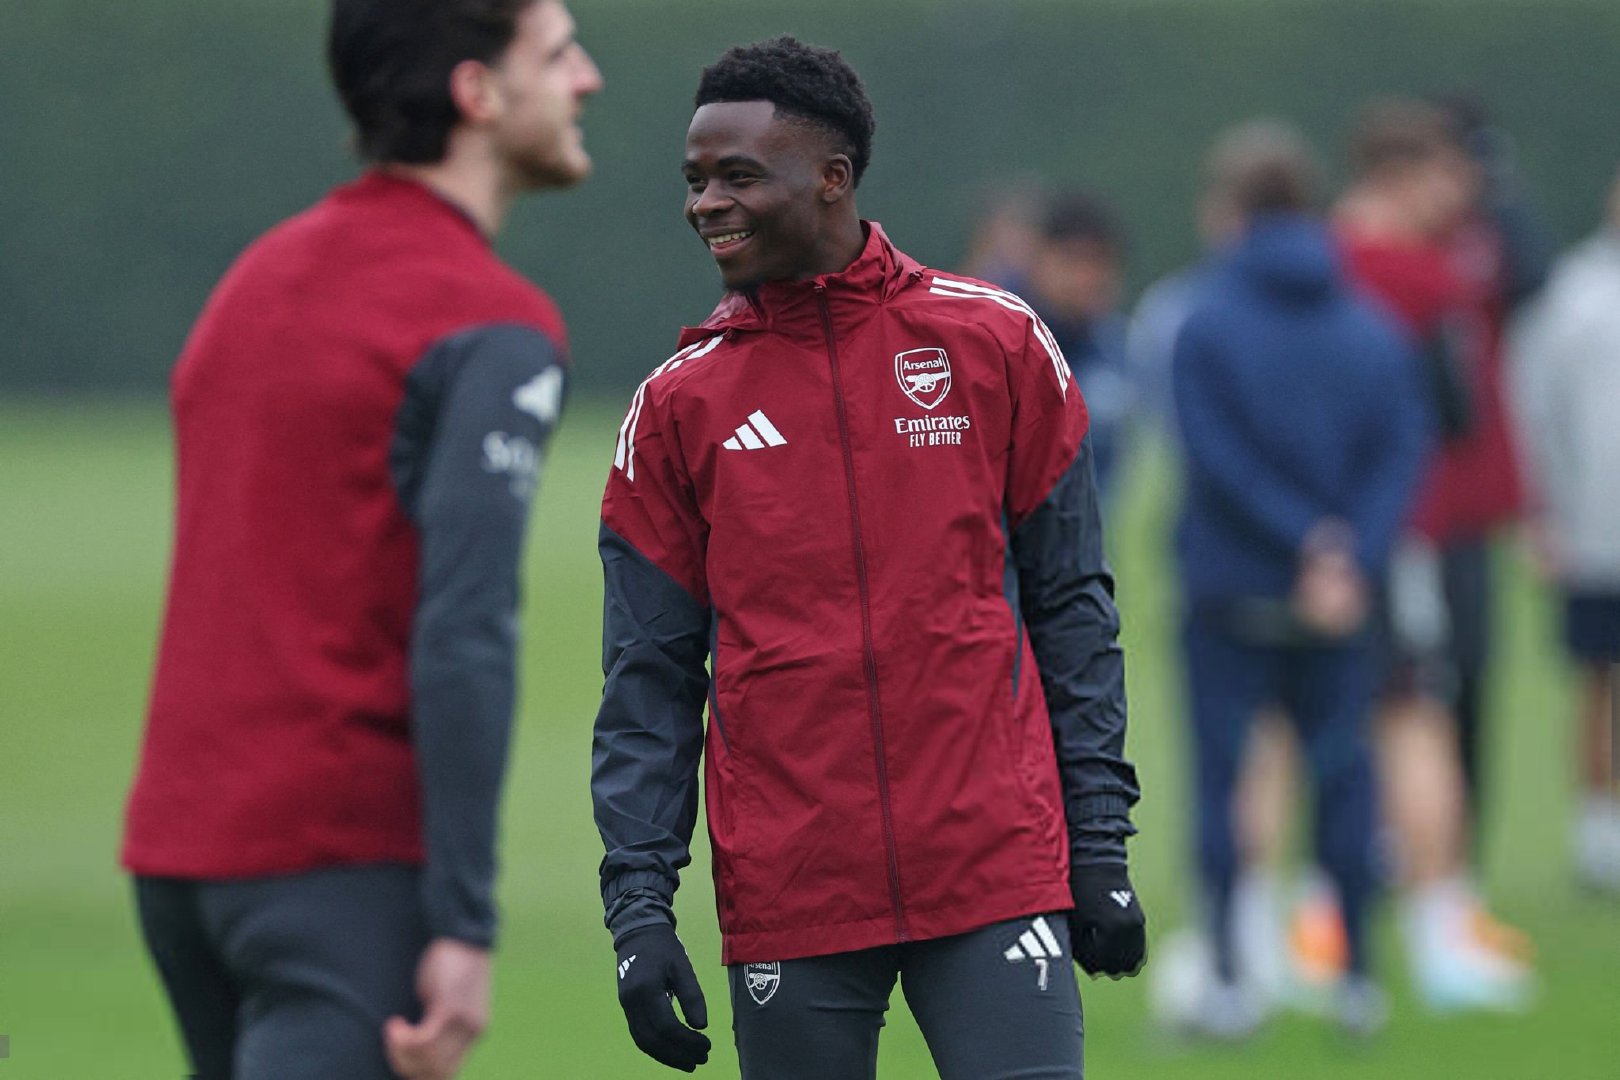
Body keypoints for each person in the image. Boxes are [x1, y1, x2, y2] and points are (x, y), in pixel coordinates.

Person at [591, 36, 1144, 1079]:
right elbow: (649, 679)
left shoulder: (997, 344)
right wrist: (639, 911)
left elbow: (1072, 605)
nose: (707, 203)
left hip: (993, 871)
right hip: (792, 893)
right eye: (696, 181)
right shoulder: (675, 408)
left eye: (737, 176)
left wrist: (1100, 841)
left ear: (832, 177)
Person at [121, 3, 601, 1078]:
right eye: (558, 54)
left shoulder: (254, 280)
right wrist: (465, 920)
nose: (588, 79)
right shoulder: (492, 322)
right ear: (477, 93)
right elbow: (467, 628)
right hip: (340, 867)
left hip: (181, 857)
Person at [1170, 120, 1430, 1038]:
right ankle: (1355, 979)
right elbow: (1400, 453)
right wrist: (1346, 552)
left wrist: (1301, 539)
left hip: (1232, 587)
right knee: (1344, 777)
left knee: (1223, 780)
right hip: (1341, 598)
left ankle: (1231, 978)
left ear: (1231, 207)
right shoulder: (1373, 327)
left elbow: (1214, 458)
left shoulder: (1204, 321)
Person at [1334, 99, 1536, 1011]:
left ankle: (1311, 915)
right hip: (1406, 528)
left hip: (1310, 537)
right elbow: (1458, 414)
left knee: (1312, 724)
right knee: (1418, 715)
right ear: (1404, 176)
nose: (1460, 198)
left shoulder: (1321, 264)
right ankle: (1440, 927)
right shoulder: (1424, 278)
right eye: (1447, 178)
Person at [1509, 164, 1620, 895]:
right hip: (1596, 528)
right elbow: (1533, 408)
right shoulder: (1575, 295)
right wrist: (1542, 513)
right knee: (1597, 681)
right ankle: (1599, 835)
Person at [1008, 191, 1136, 505]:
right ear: (1035, 260)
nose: (1087, 277)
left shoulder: (1118, 349)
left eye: (1100, 262)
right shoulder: (998, 346)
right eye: (1072, 260)